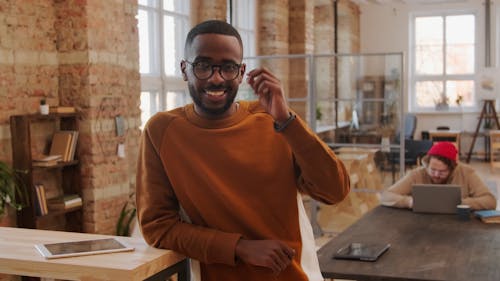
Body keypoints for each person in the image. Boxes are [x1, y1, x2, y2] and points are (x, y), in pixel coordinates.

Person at [135, 20, 350, 281]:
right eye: (203, 65)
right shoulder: (162, 131)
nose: (216, 78)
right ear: (184, 69)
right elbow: (158, 228)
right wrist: (239, 247)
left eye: (228, 67)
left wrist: (288, 122)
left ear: (241, 72)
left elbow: (335, 190)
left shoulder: (274, 119)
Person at [381, 141, 497, 210]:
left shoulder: (467, 173)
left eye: (442, 172)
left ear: (453, 168)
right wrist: (410, 202)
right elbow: (386, 196)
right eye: (433, 169)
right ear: (427, 164)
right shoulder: (417, 174)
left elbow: (490, 201)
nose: (436, 175)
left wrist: (460, 203)